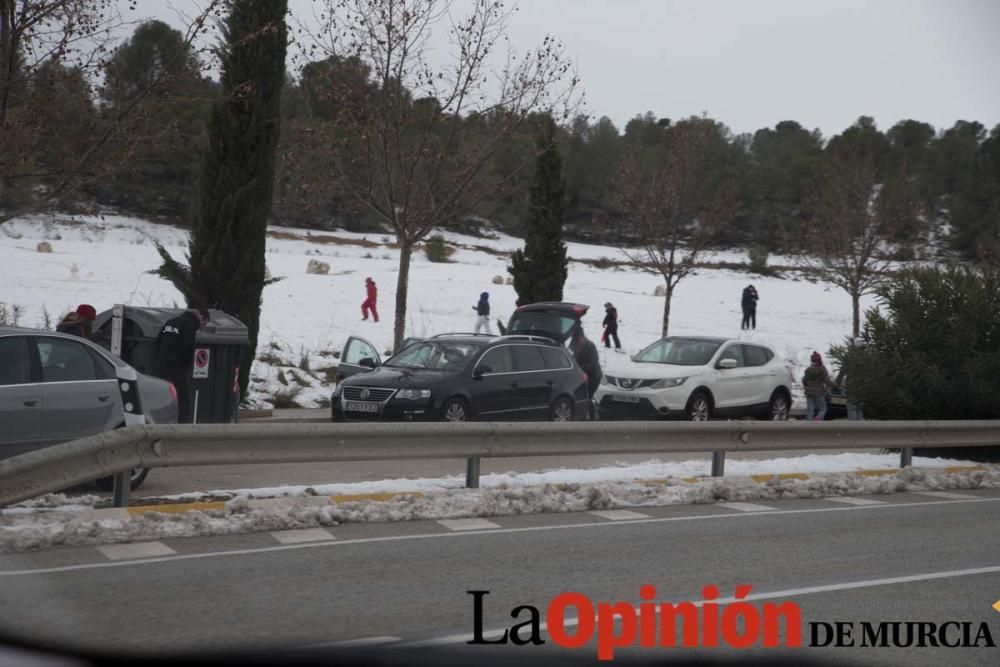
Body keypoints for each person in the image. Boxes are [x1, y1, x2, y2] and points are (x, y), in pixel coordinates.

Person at [155, 308, 208, 423]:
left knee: (165, 397)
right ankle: (182, 426)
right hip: (176, 369)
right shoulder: (190, 324)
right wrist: (187, 364)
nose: (202, 327)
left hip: (161, 366)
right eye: (205, 323)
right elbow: (187, 346)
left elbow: (157, 342)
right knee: (183, 400)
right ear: (202, 318)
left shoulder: (171, 321)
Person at [570, 325, 602, 419]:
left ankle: (592, 419)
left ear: (580, 336)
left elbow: (593, 363)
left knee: (586, 397)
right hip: (582, 377)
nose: (575, 340)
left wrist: (579, 368)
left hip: (593, 377)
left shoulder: (589, 345)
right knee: (582, 398)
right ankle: (584, 417)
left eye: (576, 338)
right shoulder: (575, 344)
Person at [836, 337, 866, 421]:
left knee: (851, 405)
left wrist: (837, 382)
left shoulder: (849, 356)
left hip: (852, 385)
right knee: (860, 406)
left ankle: (853, 425)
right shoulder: (866, 356)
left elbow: (842, 371)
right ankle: (861, 423)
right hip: (863, 385)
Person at [802, 351, 836, 421]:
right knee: (823, 408)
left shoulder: (808, 369)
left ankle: (809, 423)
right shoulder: (822, 369)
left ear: (812, 360)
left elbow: (804, 380)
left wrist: (807, 386)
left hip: (809, 392)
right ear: (819, 359)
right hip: (819, 391)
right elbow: (826, 381)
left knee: (810, 409)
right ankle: (818, 419)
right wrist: (834, 385)